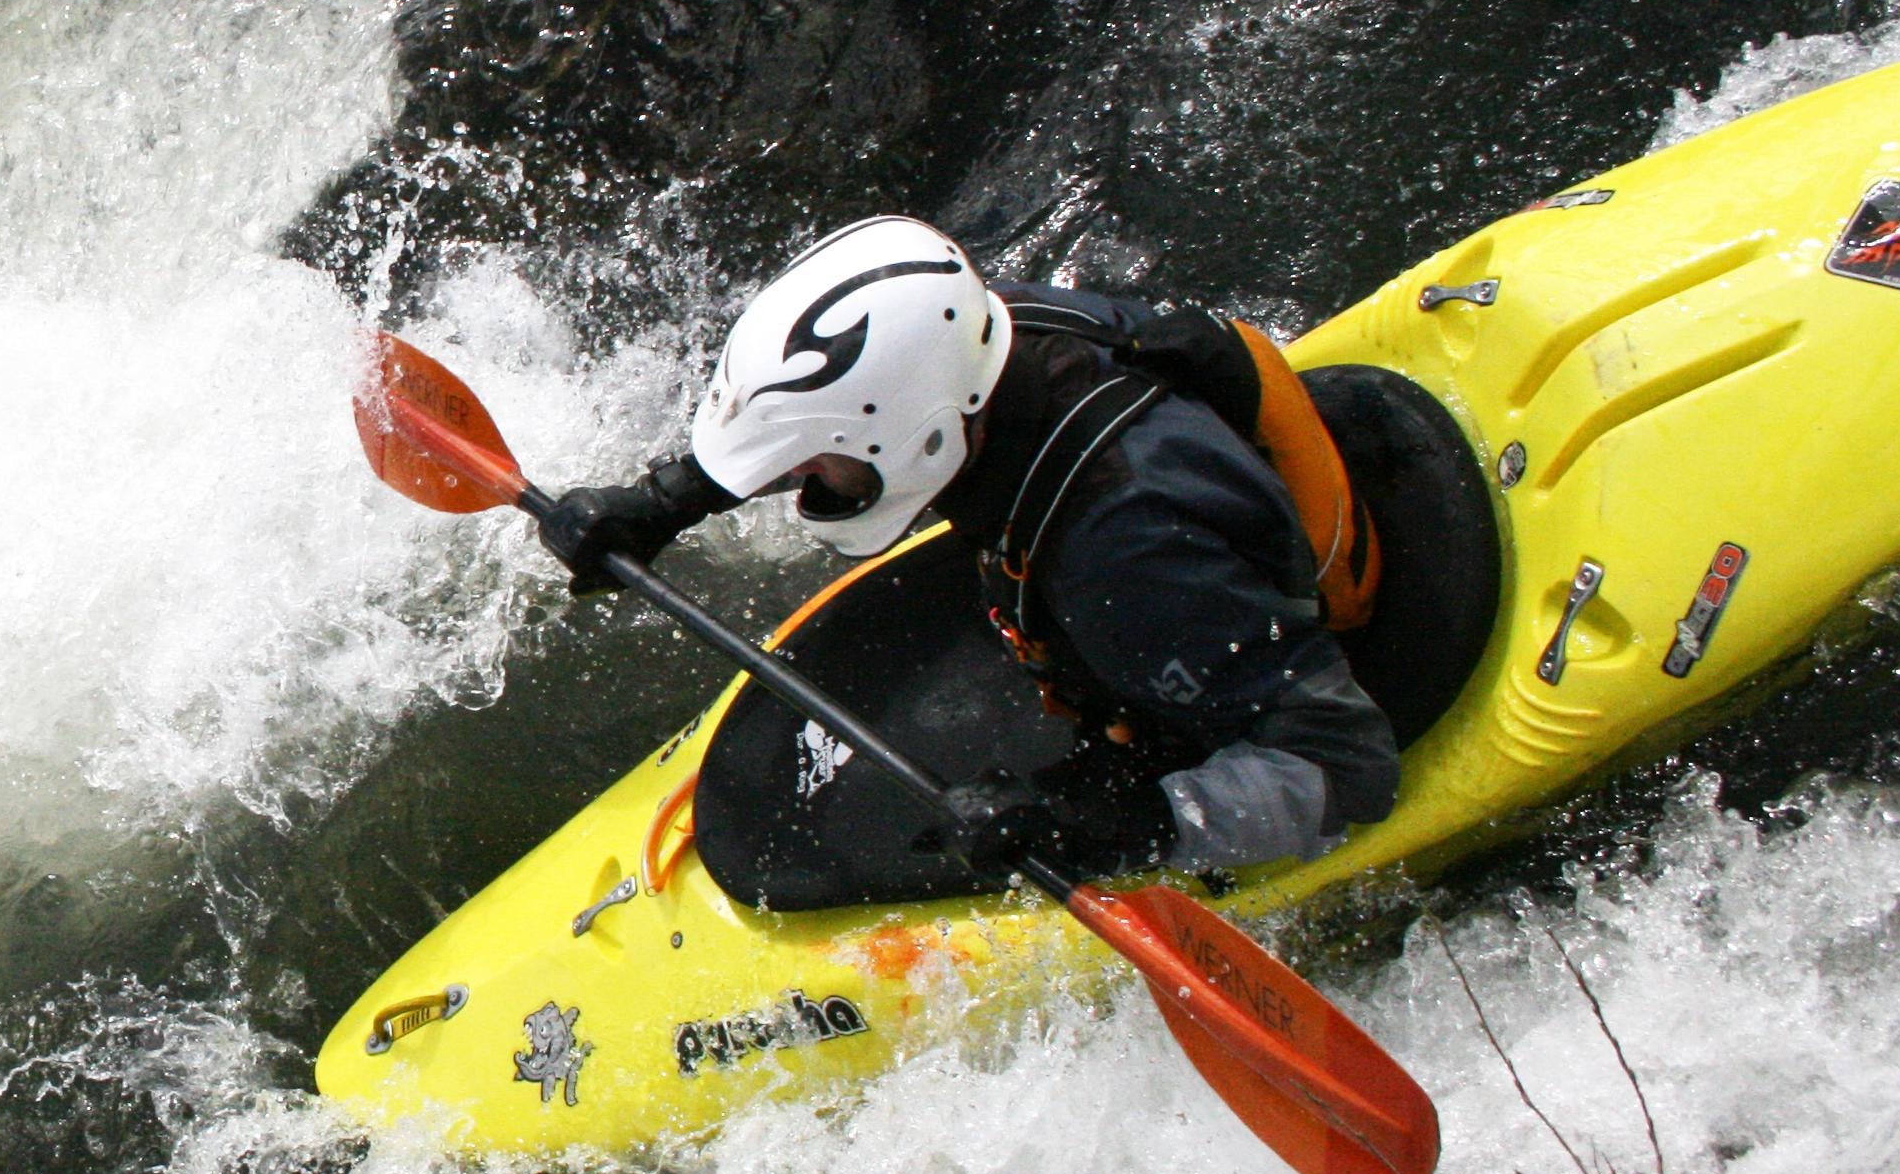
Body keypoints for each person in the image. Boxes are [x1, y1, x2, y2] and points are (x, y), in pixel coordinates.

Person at [533, 216, 1399, 874]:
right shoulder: (991, 330)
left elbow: (1346, 767)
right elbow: (838, 412)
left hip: (1240, 667)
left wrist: (1096, 834)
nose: (799, 483)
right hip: (1180, 560)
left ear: (921, 439)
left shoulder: (1126, 549)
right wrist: (662, 504)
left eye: (811, 466)